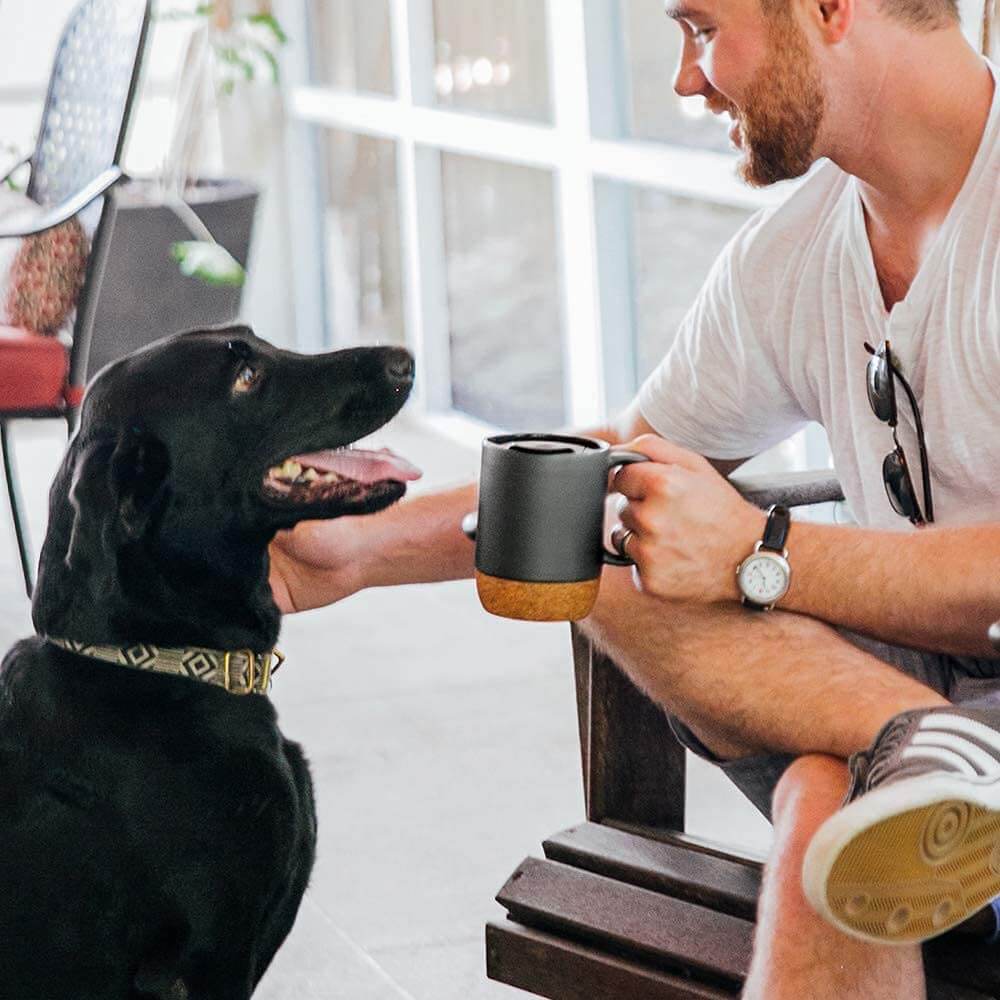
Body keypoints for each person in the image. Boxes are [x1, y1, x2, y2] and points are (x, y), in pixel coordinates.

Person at [270, 0, 1000, 994]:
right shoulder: (796, 251)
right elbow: (617, 455)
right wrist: (353, 554)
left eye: (700, 28)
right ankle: (921, 750)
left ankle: (913, 753)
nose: (685, 79)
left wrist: (759, 544)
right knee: (604, 530)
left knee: (821, 792)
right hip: (928, 696)